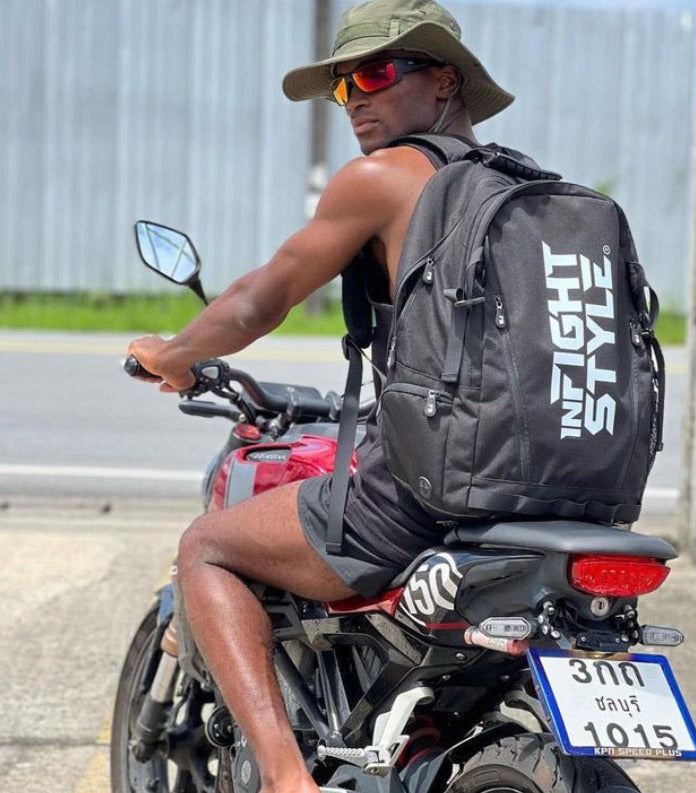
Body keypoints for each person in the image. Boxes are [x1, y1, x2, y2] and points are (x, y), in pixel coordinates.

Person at [127, 2, 513, 792]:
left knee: (207, 544)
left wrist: (172, 354)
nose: (355, 100)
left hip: (435, 496)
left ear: (444, 80)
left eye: (374, 74)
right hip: (557, 496)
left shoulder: (384, 178)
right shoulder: (527, 191)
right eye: (343, 87)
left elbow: (254, 304)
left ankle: (281, 776)